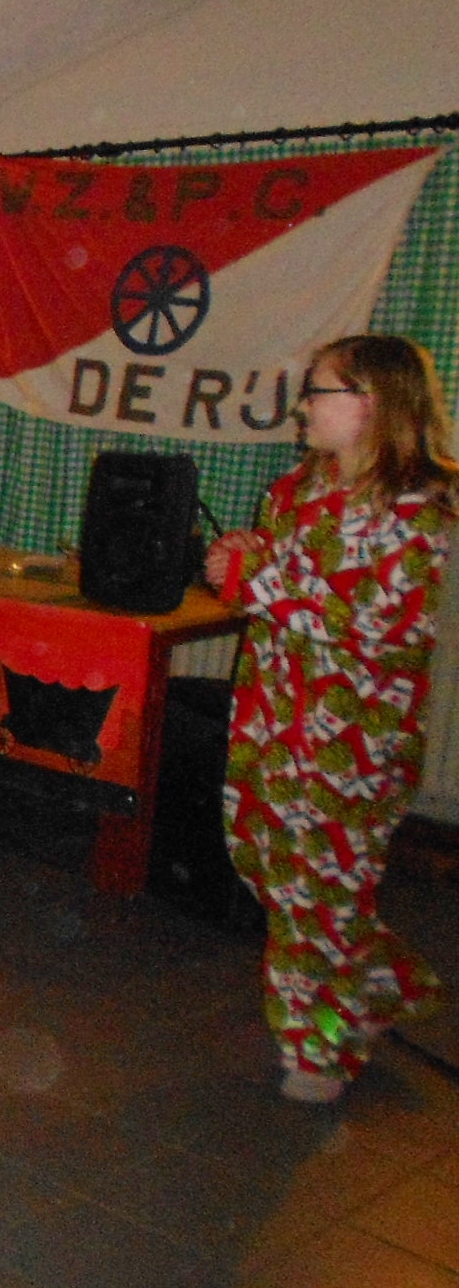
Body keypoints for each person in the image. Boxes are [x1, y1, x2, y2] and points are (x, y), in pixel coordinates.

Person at [206, 333, 454, 1105]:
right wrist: (247, 552)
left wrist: (253, 577)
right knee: (267, 864)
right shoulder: (294, 490)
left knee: (316, 891)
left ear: (372, 403)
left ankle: (318, 1047)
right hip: (269, 720)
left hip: (352, 741)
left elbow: (378, 624)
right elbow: (285, 573)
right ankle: (382, 980)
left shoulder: (416, 512)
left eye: (319, 391)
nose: (303, 406)